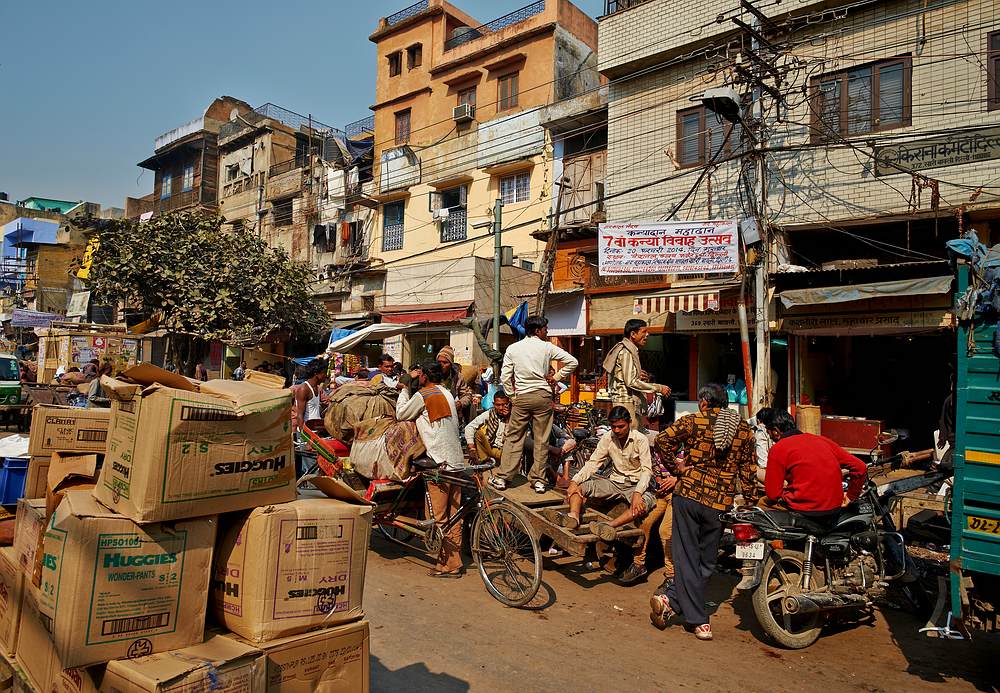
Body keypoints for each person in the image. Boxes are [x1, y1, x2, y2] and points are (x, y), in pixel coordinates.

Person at [649, 383, 758, 641]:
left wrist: (677, 469)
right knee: (707, 561)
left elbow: (662, 440)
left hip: (688, 497)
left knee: (687, 558)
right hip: (719, 503)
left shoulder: (693, 421)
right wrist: (751, 500)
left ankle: (679, 606)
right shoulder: (742, 429)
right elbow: (749, 470)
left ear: (704, 402)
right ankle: (689, 612)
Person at [492, 315, 578, 494]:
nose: (547, 332)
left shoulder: (513, 348)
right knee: (541, 439)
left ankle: (502, 477)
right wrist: (555, 378)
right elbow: (573, 362)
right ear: (538, 330)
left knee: (514, 437)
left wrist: (512, 396)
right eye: (546, 329)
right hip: (543, 397)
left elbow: (505, 377)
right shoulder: (547, 347)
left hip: (522, 397)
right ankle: (538, 481)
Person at [395, 361, 466, 577]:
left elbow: (401, 414)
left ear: (424, 376)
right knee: (454, 515)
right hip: (456, 461)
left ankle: (449, 563)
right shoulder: (446, 393)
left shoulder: (423, 395)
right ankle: (454, 560)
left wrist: (406, 387)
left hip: (439, 463)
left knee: (438, 516)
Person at [557, 406, 655, 541]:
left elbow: (646, 470)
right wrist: (574, 481)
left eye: (621, 426)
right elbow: (593, 462)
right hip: (614, 482)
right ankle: (573, 516)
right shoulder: (608, 437)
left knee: (640, 506)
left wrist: (638, 493)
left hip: (635, 485)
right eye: (613, 426)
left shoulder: (640, 439)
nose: (617, 430)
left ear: (630, 423)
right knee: (579, 488)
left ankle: (608, 525)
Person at [762, 410, 866, 514]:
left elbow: (773, 494)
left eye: (768, 433)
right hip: (834, 507)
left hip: (805, 510)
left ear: (775, 431)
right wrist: (850, 496)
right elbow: (860, 466)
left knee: (761, 504)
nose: (770, 437)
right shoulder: (822, 440)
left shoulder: (778, 448)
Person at [620, 445, 680, 585]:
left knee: (664, 531)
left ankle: (672, 576)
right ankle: (638, 564)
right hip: (661, 495)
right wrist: (660, 482)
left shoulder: (687, 452)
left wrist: (676, 479)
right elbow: (655, 471)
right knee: (644, 524)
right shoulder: (660, 451)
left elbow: (692, 473)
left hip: (677, 496)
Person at [603, 319, 672, 430]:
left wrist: (637, 374)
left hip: (627, 402)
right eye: (644, 332)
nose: (647, 335)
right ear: (633, 334)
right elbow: (631, 382)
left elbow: (626, 376)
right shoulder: (626, 351)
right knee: (630, 438)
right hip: (626, 402)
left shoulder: (630, 349)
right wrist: (658, 388)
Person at [464, 390, 511, 465]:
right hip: (492, 449)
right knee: (477, 434)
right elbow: (469, 427)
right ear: (494, 404)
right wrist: (472, 448)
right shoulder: (490, 413)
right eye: (498, 405)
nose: (501, 408)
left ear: (508, 404)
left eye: (504, 404)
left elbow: (511, 436)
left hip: (506, 451)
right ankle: (485, 462)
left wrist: (508, 418)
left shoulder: (514, 415)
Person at [293, 359, 327, 434]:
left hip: (316, 430)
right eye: (324, 373)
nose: (326, 375)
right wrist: (304, 435)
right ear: (316, 374)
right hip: (307, 432)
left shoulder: (318, 388)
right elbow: (300, 415)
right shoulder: (303, 389)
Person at [436, 347, 473, 414]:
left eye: (445, 362)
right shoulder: (432, 374)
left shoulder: (458, 377)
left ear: (451, 364)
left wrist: (460, 403)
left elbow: (467, 395)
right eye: (439, 362)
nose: (441, 365)